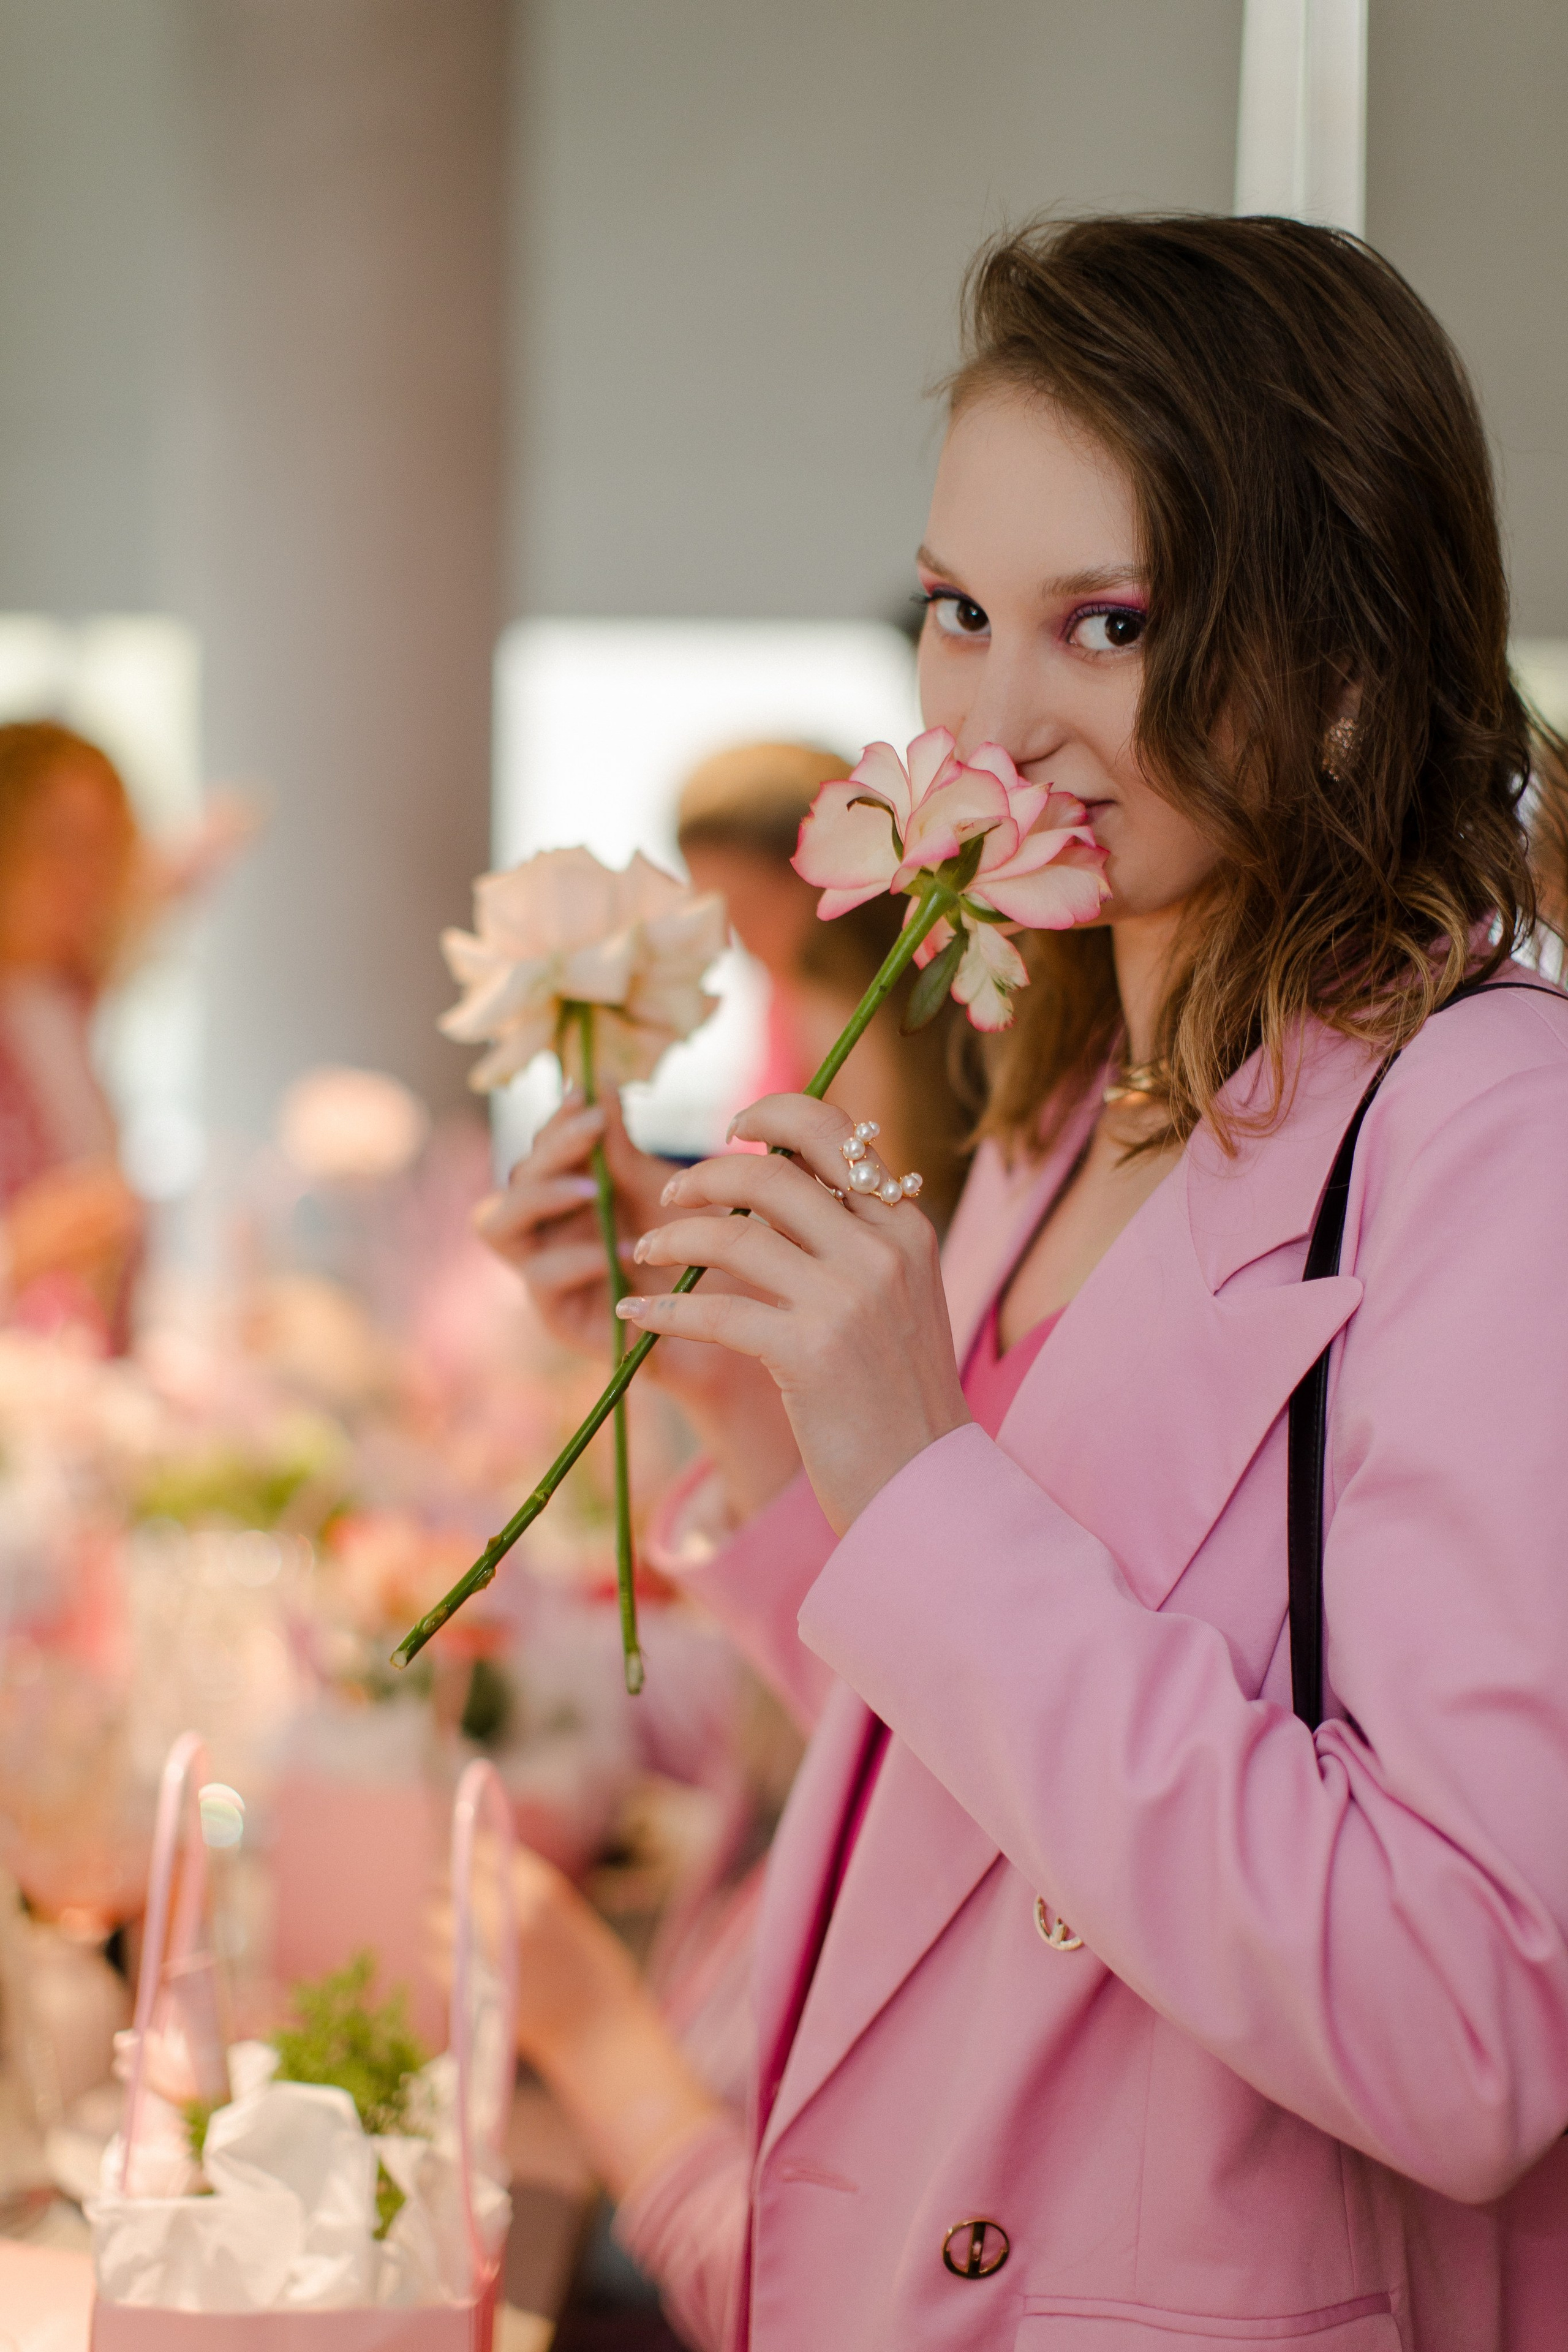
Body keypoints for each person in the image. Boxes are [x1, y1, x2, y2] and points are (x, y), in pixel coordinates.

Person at [481, 216, 1568, 2350]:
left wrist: (918, 1479)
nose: (992, 722)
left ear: (1349, 663)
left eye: (1112, 624)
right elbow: (988, 1799)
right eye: (961, 612)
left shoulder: (1493, 1134)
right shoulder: (1076, 1094)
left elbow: (1465, 2027)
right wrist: (738, 1413)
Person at [676, 740, 973, 1229]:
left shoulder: (834, 1008)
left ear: (821, 881)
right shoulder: (795, 996)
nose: (732, 938)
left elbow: (880, 1195)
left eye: (745, 908)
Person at [0, 723, 145, 1340]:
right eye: (58, 843)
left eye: (104, 848)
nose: (85, 878)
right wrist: (23, 1249)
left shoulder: (66, 1013)